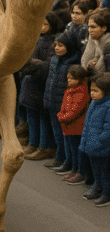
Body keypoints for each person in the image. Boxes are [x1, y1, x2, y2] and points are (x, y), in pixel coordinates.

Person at [20, 11, 64, 161]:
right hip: (30, 83)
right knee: (31, 117)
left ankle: (44, 146)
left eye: (45, 24)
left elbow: (45, 65)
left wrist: (32, 63)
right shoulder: (37, 38)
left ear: (52, 26)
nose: (41, 27)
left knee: (42, 119)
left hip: (41, 85)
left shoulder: (52, 42)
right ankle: (33, 143)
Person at [41, 30, 82, 168]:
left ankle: (67, 161)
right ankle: (60, 157)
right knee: (57, 133)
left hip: (65, 105)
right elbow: (50, 81)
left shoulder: (73, 64)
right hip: (52, 101)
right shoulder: (54, 60)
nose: (57, 48)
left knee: (66, 136)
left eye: (61, 45)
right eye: (56, 45)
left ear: (68, 46)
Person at [80, 72, 110, 206]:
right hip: (92, 145)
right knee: (95, 170)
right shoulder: (94, 103)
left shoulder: (108, 106)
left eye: (95, 91)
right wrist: (85, 141)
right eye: (91, 90)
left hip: (102, 147)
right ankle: (97, 187)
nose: (92, 93)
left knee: (105, 171)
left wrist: (99, 143)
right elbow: (87, 125)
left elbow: (108, 130)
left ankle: (106, 193)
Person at [56, 64, 90, 184]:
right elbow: (64, 107)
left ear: (80, 79)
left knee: (77, 151)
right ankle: (74, 169)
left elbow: (75, 111)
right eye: (68, 78)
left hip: (77, 128)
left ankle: (80, 172)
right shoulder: (69, 90)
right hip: (68, 126)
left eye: (72, 78)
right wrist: (61, 115)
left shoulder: (82, 93)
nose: (69, 80)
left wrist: (62, 117)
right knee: (71, 150)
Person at [81, 8, 110, 75]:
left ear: (104, 28)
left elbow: (100, 70)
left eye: (93, 27)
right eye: (89, 27)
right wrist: (91, 63)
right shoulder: (94, 37)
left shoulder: (108, 44)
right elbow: (86, 59)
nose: (89, 30)